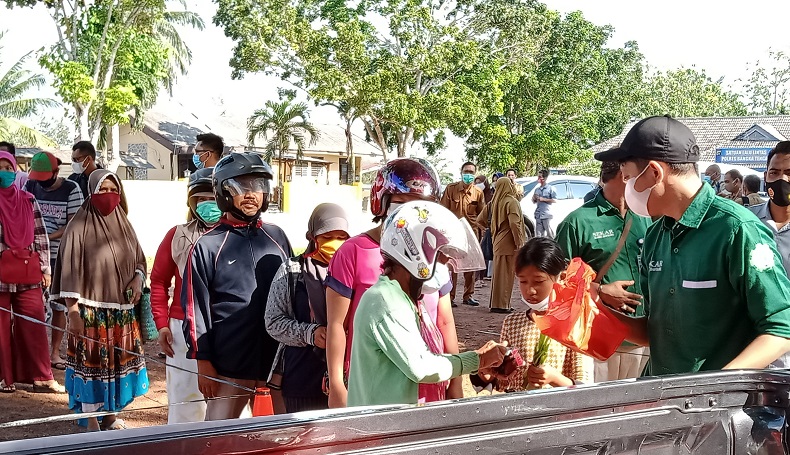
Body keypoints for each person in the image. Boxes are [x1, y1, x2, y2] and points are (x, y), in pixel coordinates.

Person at [594, 115, 790, 375]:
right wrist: (593, 312)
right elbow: (656, 332)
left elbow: (781, 326)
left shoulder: (737, 229)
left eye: (628, 178)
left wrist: (716, 385)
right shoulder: (656, 236)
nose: (626, 188)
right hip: (663, 396)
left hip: (717, 407)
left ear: (654, 172)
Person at [325, 158, 462, 408]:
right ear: (382, 203)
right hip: (374, 385)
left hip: (428, 380)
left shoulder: (434, 254)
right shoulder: (352, 252)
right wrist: (336, 385)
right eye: (400, 203)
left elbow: (444, 320)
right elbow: (337, 325)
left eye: (420, 207)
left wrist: (455, 382)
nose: (409, 213)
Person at [346, 200, 507, 406]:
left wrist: (477, 363)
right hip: (379, 431)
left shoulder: (406, 299)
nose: (445, 267)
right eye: (441, 258)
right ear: (415, 254)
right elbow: (421, 366)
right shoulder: (385, 300)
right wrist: (478, 359)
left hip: (392, 425)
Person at [182, 152, 292, 421]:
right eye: (241, 186)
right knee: (217, 437)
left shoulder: (276, 237)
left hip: (276, 361)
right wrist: (202, 360)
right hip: (228, 362)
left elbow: (294, 290)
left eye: (258, 186)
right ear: (223, 191)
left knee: (279, 433)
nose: (251, 193)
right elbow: (195, 308)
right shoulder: (208, 246)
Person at [51, 169, 148, 431]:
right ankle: (92, 420)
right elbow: (69, 272)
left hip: (121, 315)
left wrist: (138, 278)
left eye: (112, 190)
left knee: (115, 368)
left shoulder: (124, 224)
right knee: (91, 368)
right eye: (102, 190)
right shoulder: (78, 227)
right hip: (89, 315)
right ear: (91, 192)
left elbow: (139, 259)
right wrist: (73, 312)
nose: (108, 196)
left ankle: (110, 415)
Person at [555, 160, 652, 381]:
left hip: (645, 336)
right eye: (640, 174)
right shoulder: (577, 223)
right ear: (625, 176)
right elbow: (557, 282)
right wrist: (600, 290)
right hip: (599, 340)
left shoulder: (648, 217)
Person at [471, 238, 594, 392]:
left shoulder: (574, 324)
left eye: (538, 281)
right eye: (523, 282)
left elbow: (585, 386)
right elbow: (501, 382)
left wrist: (554, 378)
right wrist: (486, 371)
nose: (530, 290)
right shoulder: (512, 322)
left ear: (560, 278)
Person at [149, 168, 219, 424]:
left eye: (213, 197)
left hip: (227, 327)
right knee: (185, 401)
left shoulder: (239, 235)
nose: (208, 204)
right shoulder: (178, 236)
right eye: (201, 199)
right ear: (191, 202)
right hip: (183, 329)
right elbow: (158, 281)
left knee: (229, 402)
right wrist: (162, 324)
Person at [265, 203, 349, 413]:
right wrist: (310, 333)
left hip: (346, 377)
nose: (335, 243)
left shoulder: (351, 272)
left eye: (341, 237)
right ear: (312, 236)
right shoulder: (292, 271)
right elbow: (273, 322)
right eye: (328, 236)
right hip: (301, 375)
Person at [0, 151, 63, 394]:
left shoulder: (28, 200)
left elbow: (41, 237)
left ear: (15, 170)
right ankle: (5, 378)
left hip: (28, 272)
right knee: (1, 327)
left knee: (34, 322)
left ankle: (41, 376)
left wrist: (45, 269)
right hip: (1, 276)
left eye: (8, 167)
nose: (4, 172)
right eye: (0, 167)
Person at [24, 151, 84, 370]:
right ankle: (31, 356)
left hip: (60, 255)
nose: (41, 184)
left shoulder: (71, 189)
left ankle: (54, 354)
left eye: (44, 178)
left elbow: (74, 224)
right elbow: (22, 213)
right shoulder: (30, 186)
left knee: (59, 305)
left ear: (56, 172)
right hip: (32, 256)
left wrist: (46, 238)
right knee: (32, 305)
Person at [439, 161, 485, 306]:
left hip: (471, 233)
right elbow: (443, 210)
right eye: (466, 172)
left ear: (475, 174)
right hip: (453, 232)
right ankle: (450, 296)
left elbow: (481, 214)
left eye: (471, 172)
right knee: (451, 265)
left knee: (470, 265)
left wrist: (480, 231)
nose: (468, 175)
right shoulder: (451, 189)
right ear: (461, 172)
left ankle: (468, 296)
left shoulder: (478, 193)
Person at [478, 178, 526, 313]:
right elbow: (515, 224)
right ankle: (503, 305)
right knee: (506, 276)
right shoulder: (511, 202)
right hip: (509, 244)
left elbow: (479, 220)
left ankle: (496, 303)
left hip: (497, 242)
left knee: (498, 275)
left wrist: (491, 229)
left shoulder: (493, 203)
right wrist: (520, 243)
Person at [531, 169, 556, 238]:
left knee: (549, 234)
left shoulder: (550, 188)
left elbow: (554, 200)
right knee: (538, 235)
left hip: (546, 213)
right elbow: (534, 201)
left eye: (540, 177)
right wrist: (534, 198)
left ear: (544, 178)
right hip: (538, 214)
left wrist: (543, 199)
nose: (538, 178)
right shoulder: (537, 189)